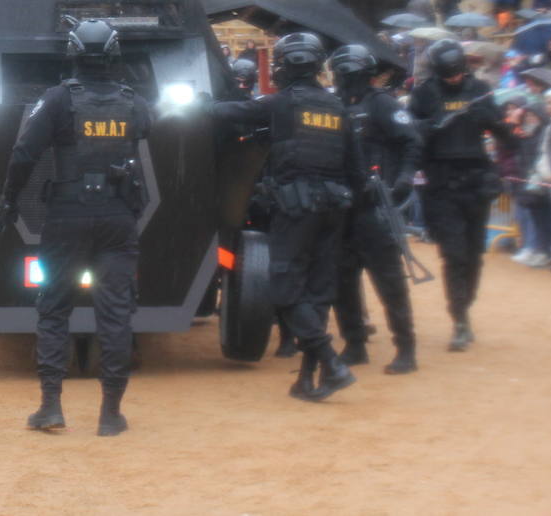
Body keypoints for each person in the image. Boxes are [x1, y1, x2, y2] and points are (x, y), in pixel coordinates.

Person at [0, 18, 151, 435]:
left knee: (53, 308)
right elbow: (148, 128)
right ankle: (110, 413)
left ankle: (51, 405)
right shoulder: (132, 102)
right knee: (116, 314)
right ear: (114, 55)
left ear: (73, 54)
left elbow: (24, 153)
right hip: (118, 218)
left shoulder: (58, 100)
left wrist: (10, 198)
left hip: (66, 217)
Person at [213, 32, 363, 401]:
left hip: (297, 209)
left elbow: (235, 112)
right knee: (317, 291)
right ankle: (310, 377)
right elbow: (357, 172)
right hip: (335, 210)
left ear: (284, 66)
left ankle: (330, 359)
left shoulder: (282, 104)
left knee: (281, 288)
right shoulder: (338, 108)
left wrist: (199, 104)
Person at [410, 39, 516, 351]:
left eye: (457, 74)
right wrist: (433, 125)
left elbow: (504, 135)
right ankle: (458, 319)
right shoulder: (424, 93)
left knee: (473, 256)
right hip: (442, 184)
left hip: (476, 181)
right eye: (448, 75)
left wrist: (493, 121)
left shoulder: (480, 89)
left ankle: (464, 307)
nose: (454, 79)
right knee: (453, 255)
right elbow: (412, 134)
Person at [328, 45, 420, 375]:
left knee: (389, 281)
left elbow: (410, 140)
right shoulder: (334, 104)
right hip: (342, 207)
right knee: (342, 280)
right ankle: (354, 345)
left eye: (344, 74)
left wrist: (405, 177)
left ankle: (405, 347)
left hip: (375, 208)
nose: (340, 79)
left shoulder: (382, 103)